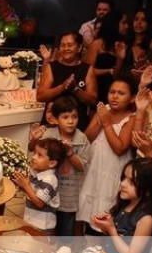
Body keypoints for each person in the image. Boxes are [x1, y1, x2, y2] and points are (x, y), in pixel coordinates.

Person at [77, 78, 136, 236]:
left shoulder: (132, 118)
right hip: (95, 166)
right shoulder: (104, 110)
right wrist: (100, 120)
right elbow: (86, 139)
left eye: (121, 93)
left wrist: (107, 123)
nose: (115, 96)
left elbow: (119, 148)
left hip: (113, 169)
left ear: (132, 98)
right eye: (112, 92)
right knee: (87, 205)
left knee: (106, 205)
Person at [29, 97, 90, 238]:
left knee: (65, 233)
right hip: (47, 192)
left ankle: (64, 249)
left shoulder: (82, 139)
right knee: (47, 229)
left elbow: (82, 166)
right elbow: (33, 149)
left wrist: (70, 154)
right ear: (55, 119)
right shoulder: (49, 134)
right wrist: (34, 139)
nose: (71, 121)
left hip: (69, 195)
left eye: (74, 117)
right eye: (65, 117)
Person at [36, 31, 98, 131]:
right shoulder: (52, 67)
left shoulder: (87, 69)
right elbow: (40, 96)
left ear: (79, 47)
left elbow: (93, 100)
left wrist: (75, 89)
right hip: (52, 125)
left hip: (77, 126)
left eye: (70, 45)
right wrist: (62, 87)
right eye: (62, 45)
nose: (66, 48)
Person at [12, 138, 67, 234]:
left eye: (40, 155)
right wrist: (22, 185)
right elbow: (32, 193)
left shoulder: (49, 180)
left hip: (42, 227)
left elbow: (39, 202)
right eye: (34, 153)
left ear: (52, 163)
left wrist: (26, 186)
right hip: (32, 222)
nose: (34, 157)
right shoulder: (37, 174)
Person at [84, 9, 128, 104]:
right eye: (123, 23)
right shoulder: (97, 44)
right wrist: (108, 71)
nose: (127, 26)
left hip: (113, 91)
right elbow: (87, 71)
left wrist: (120, 59)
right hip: (96, 88)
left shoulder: (122, 45)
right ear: (114, 23)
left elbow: (116, 76)